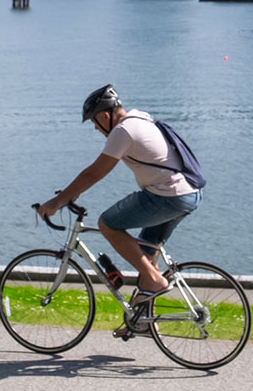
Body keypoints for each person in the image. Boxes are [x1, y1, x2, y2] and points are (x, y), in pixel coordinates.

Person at [38, 84, 201, 334]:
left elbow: (96, 171)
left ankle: (156, 282)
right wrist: (73, 193)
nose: (94, 127)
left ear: (105, 115)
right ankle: (143, 323)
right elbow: (94, 175)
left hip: (166, 196)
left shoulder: (123, 131)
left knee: (108, 224)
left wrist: (56, 203)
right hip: (188, 193)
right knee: (145, 256)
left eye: (94, 121)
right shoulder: (141, 118)